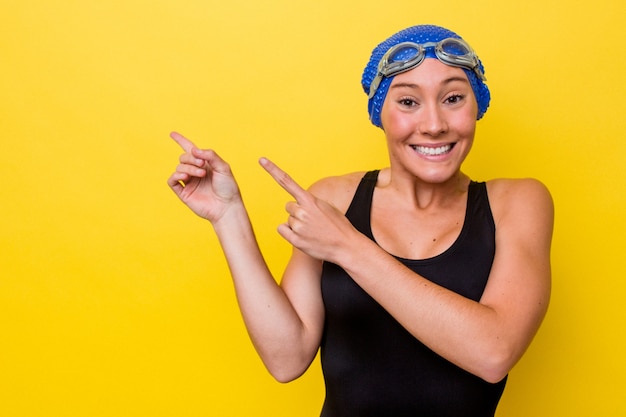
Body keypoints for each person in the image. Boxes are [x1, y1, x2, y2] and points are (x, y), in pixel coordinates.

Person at [167, 24, 554, 417]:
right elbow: (287, 358)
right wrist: (227, 217)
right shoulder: (334, 199)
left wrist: (348, 247)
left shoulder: (516, 203)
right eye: (408, 102)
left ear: (477, 106)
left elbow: (492, 352)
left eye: (453, 98)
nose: (434, 124)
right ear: (380, 113)